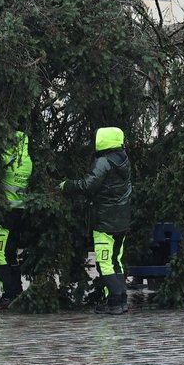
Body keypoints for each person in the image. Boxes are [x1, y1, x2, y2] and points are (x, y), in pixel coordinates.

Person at [59, 127, 132, 315]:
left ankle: (115, 302)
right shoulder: (124, 160)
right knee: (116, 260)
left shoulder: (103, 162)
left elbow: (88, 185)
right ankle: (121, 300)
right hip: (121, 220)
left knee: (104, 262)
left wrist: (66, 186)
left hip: (104, 222)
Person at [0, 131, 33, 310]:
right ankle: (17, 291)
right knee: (11, 253)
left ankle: (8, 294)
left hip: (5, 213)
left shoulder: (5, 160)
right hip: (20, 212)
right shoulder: (27, 162)